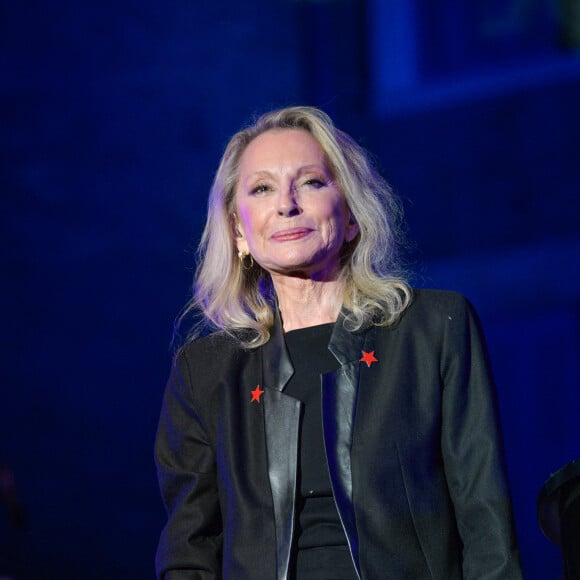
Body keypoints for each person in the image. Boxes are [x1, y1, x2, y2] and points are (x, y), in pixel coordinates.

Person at [154, 106, 522, 579]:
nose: (287, 204)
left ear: (350, 214)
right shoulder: (204, 371)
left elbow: (485, 519)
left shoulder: (434, 329)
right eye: (262, 188)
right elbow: (189, 552)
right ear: (239, 231)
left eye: (310, 182)